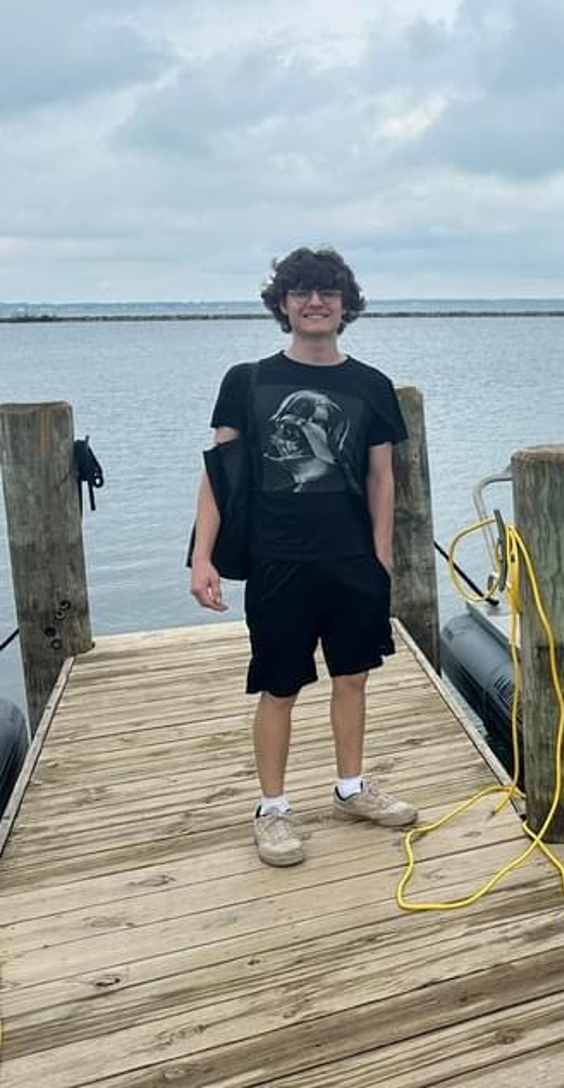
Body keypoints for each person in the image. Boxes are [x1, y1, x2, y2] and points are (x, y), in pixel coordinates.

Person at [189, 247, 419, 868]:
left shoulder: (370, 386)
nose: (314, 302)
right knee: (279, 685)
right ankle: (273, 810)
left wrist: (380, 560)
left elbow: (381, 480)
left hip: (350, 559)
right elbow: (219, 478)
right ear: (282, 304)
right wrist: (201, 557)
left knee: (352, 677)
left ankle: (350, 789)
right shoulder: (248, 381)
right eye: (301, 292)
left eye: (326, 291)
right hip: (277, 559)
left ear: (346, 305)